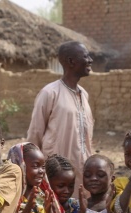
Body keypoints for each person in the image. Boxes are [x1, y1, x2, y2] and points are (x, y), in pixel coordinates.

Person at [26, 41, 95, 196]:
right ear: (71, 61)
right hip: (55, 175)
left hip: (81, 173)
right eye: (86, 56)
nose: (90, 60)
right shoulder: (50, 93)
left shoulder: (84, 94)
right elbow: (34, 135)